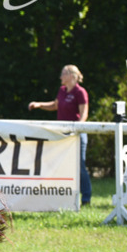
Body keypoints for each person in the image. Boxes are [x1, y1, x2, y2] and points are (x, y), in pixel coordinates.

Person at [28, 64, 92, 206]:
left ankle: (86, 198)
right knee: (60, 164)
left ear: (71, 76)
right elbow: (55, 105)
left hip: (76, 134)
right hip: (62, 134)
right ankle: (62, 196)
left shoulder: (80, 92)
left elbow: (84, 114)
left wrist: (77, 129)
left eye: (63, 74)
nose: (60, 77)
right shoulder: (62, 90)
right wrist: (39, 105)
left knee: (80, 165)